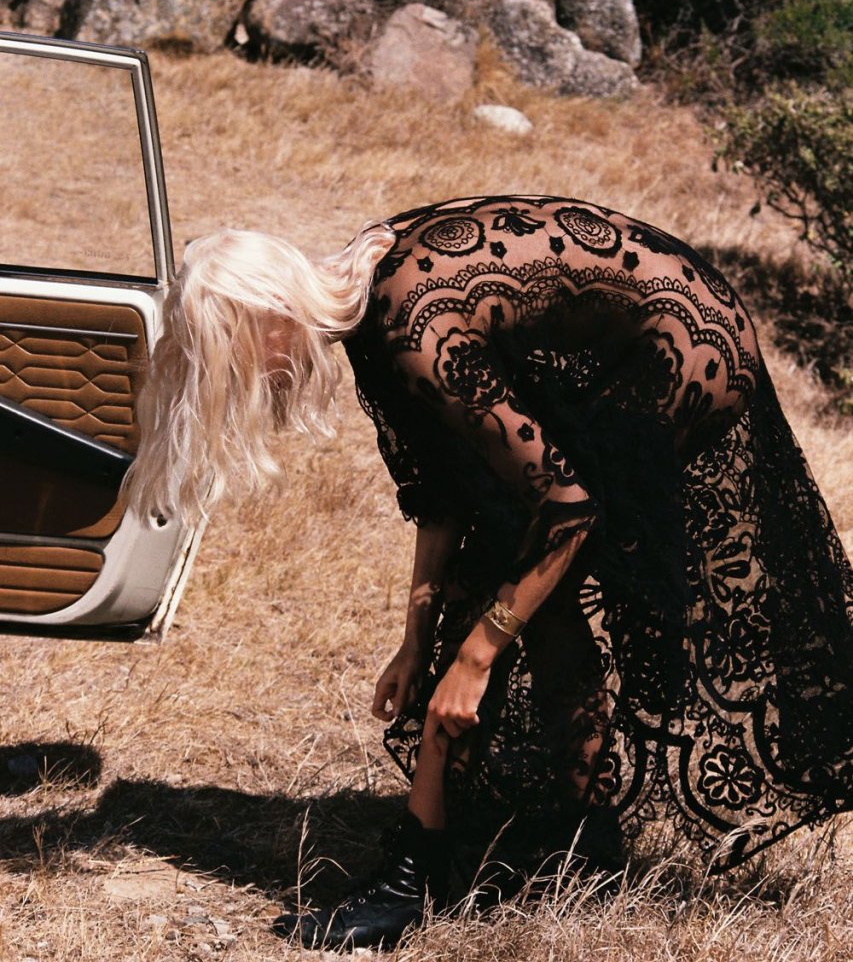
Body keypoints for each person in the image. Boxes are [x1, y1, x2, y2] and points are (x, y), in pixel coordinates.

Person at [127, 194, 853, 951]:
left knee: (511, 584)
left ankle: (417, 877)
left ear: (273, 312)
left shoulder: (409, 324)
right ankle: (581, 845)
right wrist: (416, 640)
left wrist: (473, 658)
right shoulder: (369, 309)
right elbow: (448, 493)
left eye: (234, 348)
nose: (245, 373)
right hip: (633, 330)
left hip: (684, 339)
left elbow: (569, 507)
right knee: (515, 580)